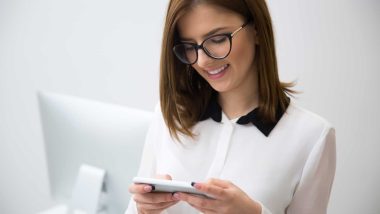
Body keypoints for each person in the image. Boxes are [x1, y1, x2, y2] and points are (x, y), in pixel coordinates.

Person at [126, 0, 336, 213]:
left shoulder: (313, 136)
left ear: (257, 30)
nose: (202, 61)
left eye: (217, 39)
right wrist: (142, 210)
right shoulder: (168, 114)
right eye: (189, 47)